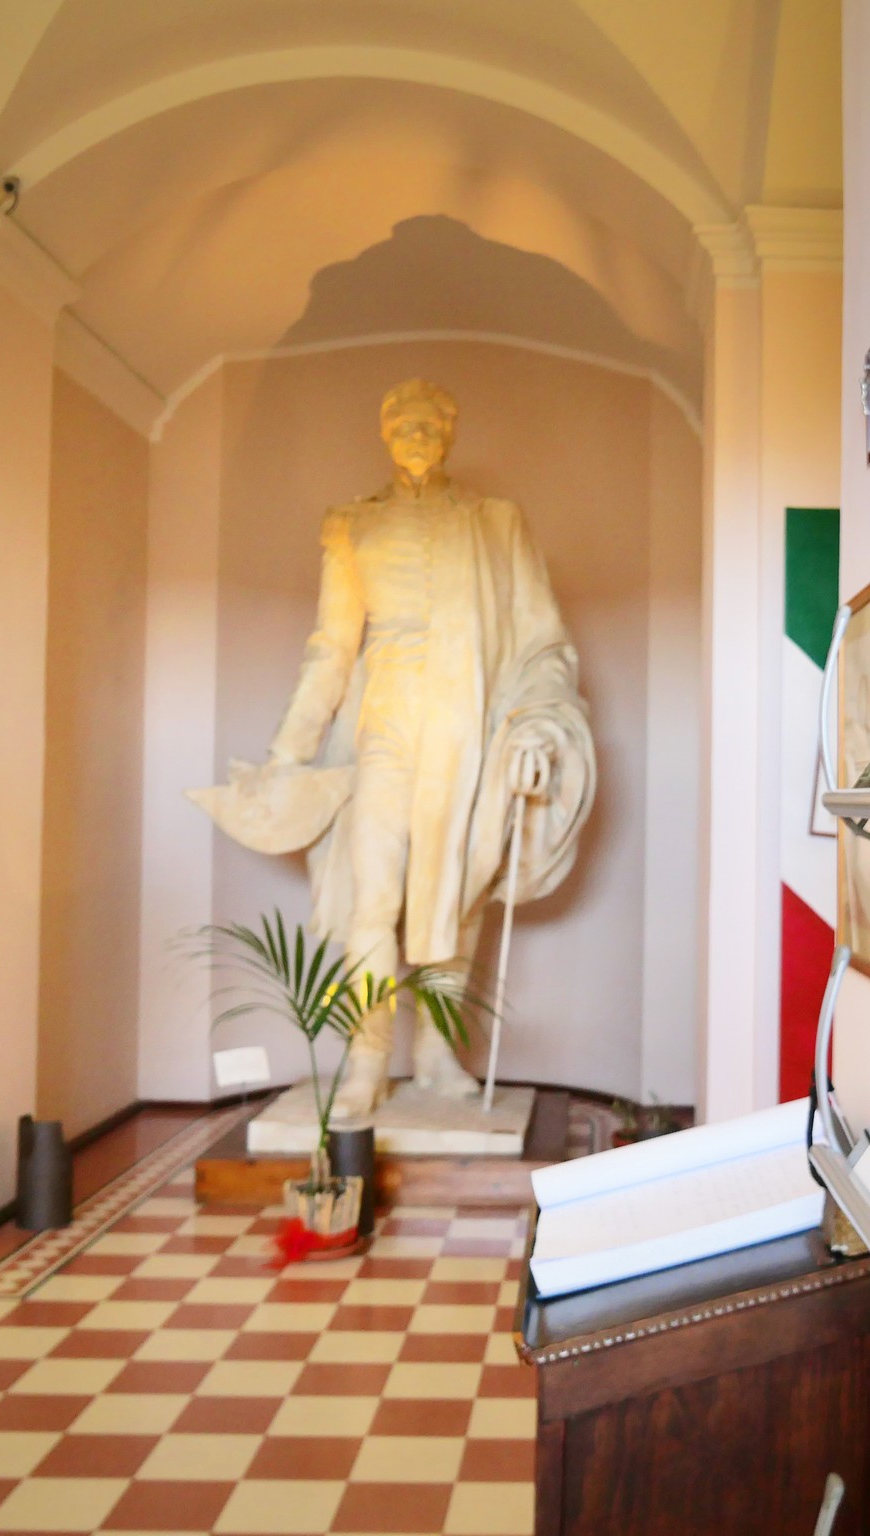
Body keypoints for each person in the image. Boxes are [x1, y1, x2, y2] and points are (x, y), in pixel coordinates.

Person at [192, 379, 594, 1117]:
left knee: (456, 892)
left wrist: (537, 727)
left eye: (429, 423)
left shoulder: (496, 522)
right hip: (384, 723)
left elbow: (542, 640)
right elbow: (331, 648)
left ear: (450, 432)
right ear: (383, 433)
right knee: (373, 892)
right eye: (402, 423)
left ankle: (437, 1055)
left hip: (467, 727)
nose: (416, 434)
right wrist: (288, 754)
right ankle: (366, 1062)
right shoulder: (351, 525)